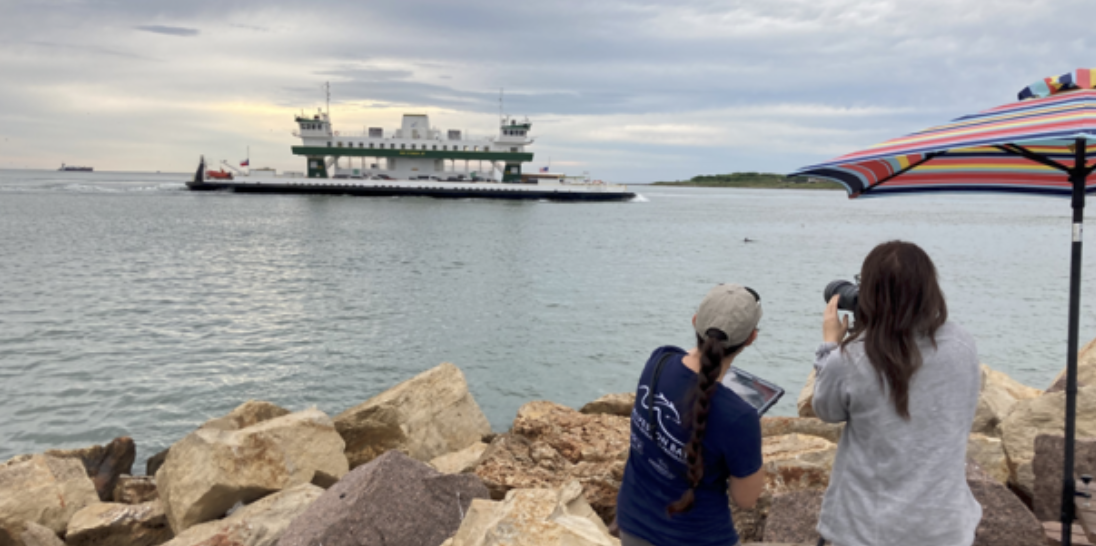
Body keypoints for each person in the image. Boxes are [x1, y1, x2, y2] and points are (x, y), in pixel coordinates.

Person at [813, 241, 982, 546]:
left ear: (869, 293)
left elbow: (826, 409)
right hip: (946, 527)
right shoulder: (962, 344)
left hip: (866, 531)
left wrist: (830, 346)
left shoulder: (851, 358)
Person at [616, 284, 767, 546]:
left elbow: (687, 372)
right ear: (751, 338)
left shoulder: (659, 360)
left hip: (633, 525)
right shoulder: (739, 417)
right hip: (697, 538)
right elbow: (746, 499)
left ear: (695, 321)